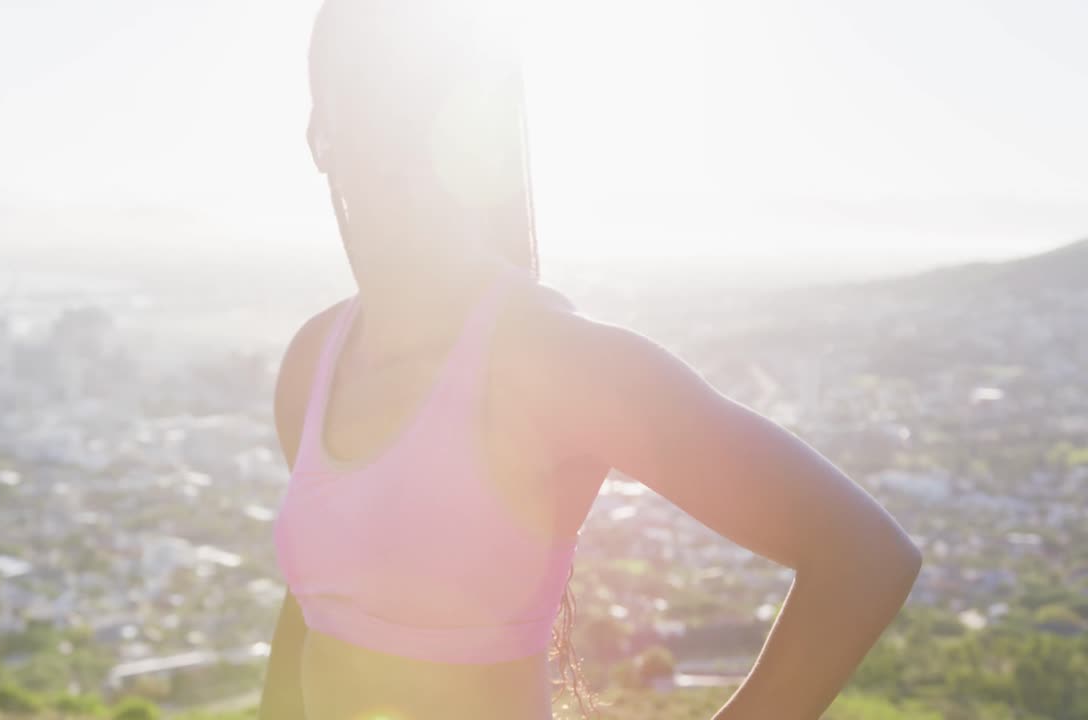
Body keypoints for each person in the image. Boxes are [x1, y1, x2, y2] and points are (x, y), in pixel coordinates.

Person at [259, 1, 923, 719]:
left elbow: (865, 558)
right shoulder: (314, 362)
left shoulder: (556, 362)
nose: (407, 137)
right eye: (372, 101)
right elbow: (315, 605)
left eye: (431, 104)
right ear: (319, 135)